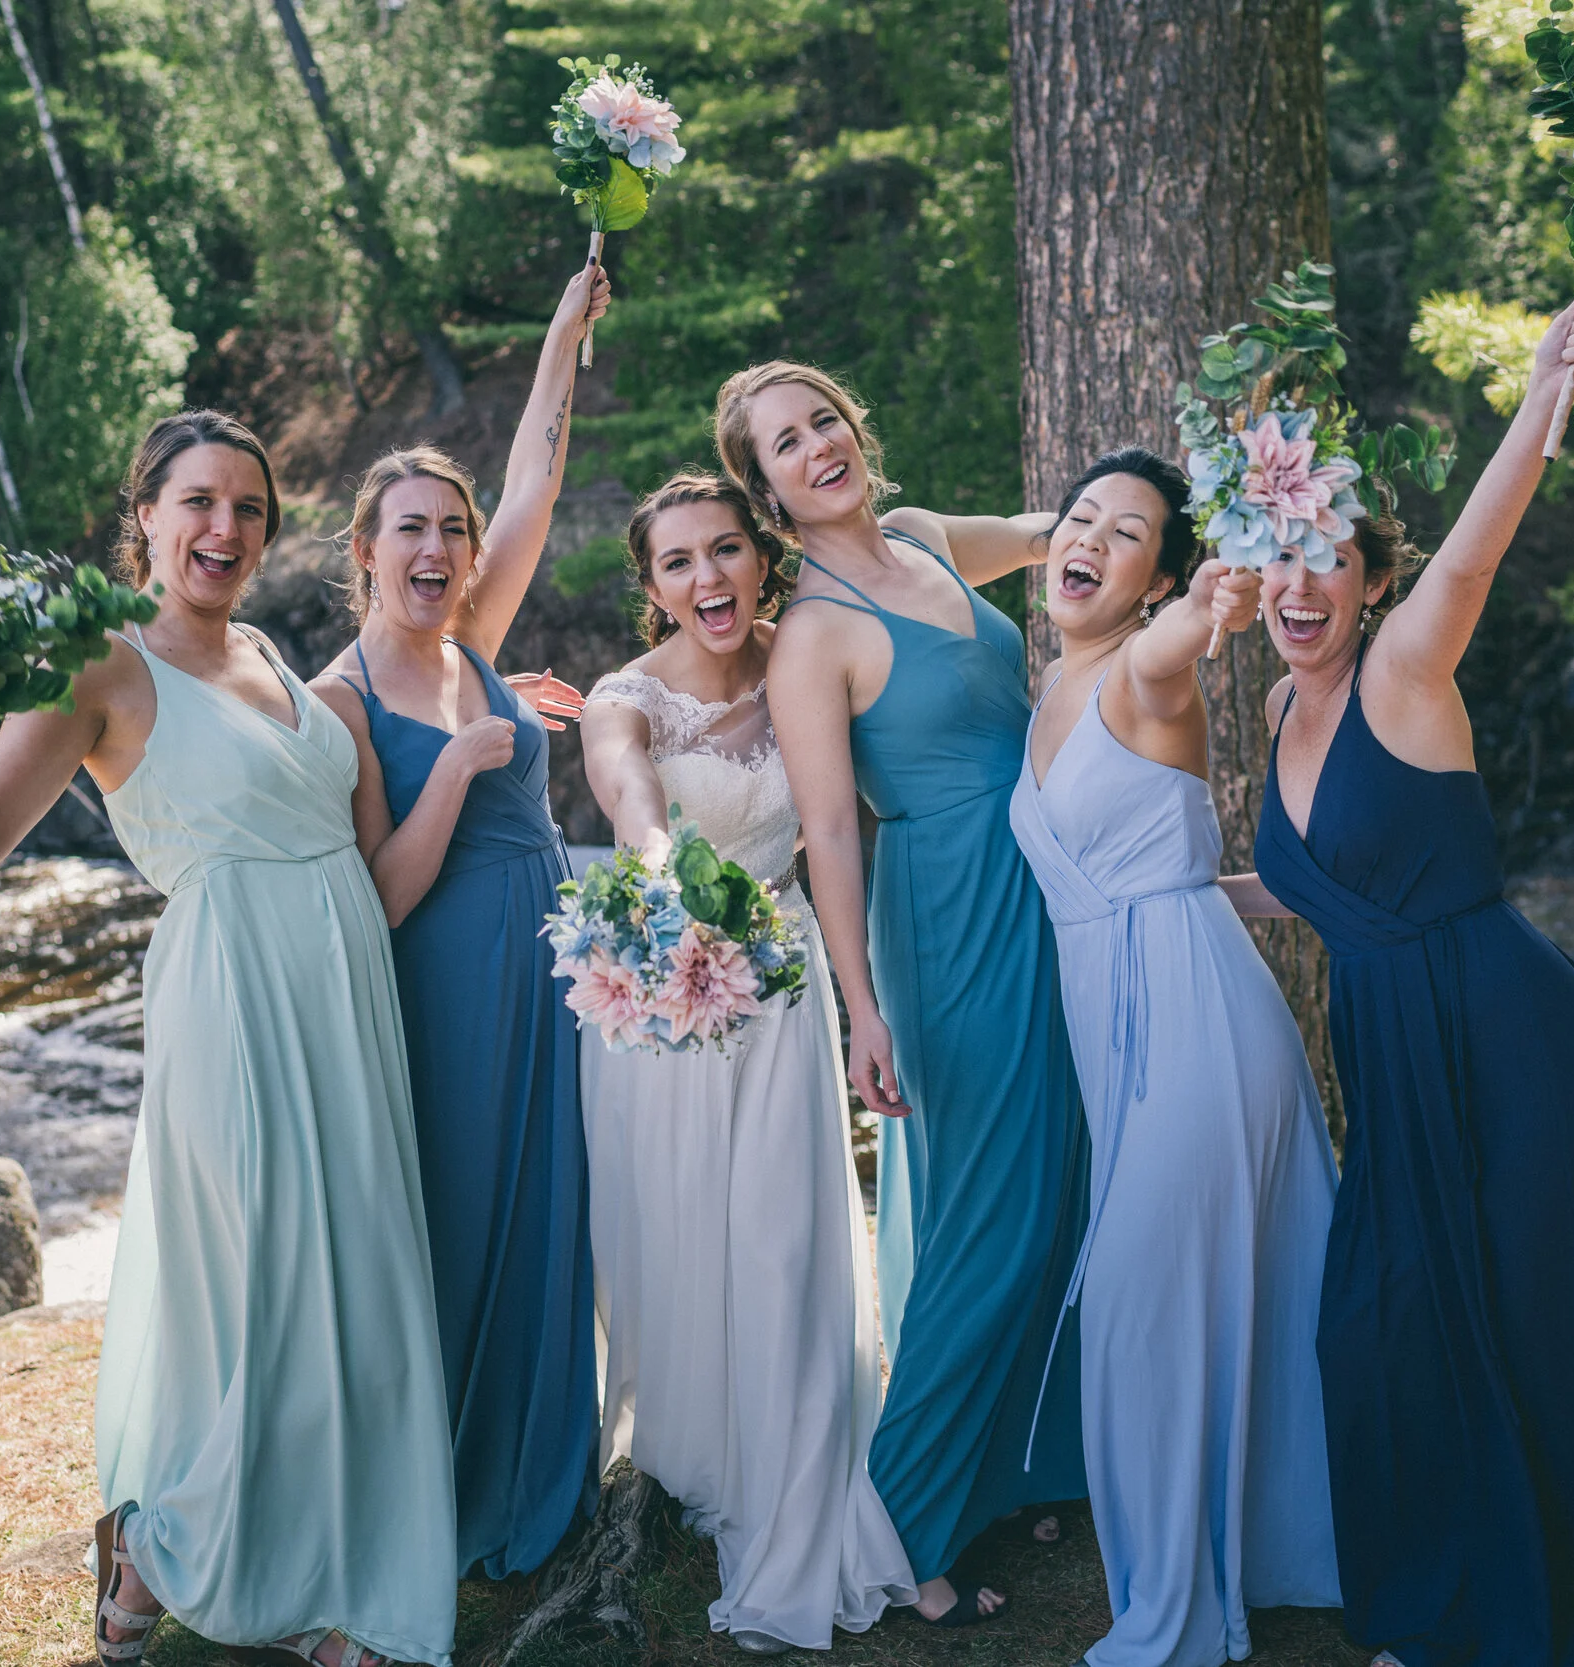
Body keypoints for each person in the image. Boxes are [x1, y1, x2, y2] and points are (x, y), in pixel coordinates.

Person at [0, 411, 455, 1667]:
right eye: (198, 501)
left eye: (248, 509)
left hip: (343, 986)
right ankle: (160, 1546)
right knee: (259, 1285)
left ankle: (325, 1572)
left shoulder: (264, 647)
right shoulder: (96, 665)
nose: (225, 529)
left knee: (347, 1275)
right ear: (141, 513)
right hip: (232, 990)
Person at [1242, 276, 1574, 1665]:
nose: (1300, 579)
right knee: (1386, 1328)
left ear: (1372, 581)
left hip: (1511, 1036)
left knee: (1552, 1325)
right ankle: (1454, 1604)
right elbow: (1312, 884)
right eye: (1283, 548)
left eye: (1332, 554)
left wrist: (1542, 394)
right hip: (1394, 1059)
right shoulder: (1283, 703)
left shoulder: (1406, 666)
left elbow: (1473, 552)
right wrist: (1141, 904)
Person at [730, 362, 1085, 1627]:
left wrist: (1187, 510)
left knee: (1064, 1180)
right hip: (947, 913)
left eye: (823, 418)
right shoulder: (811, 634)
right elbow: (830, 828)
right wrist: (859, 1010)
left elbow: (1066, 536)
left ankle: (1025, 1463)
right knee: (992, 1212)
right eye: (784, 442)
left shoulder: (930, 537)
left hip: (1053, 884)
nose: (817, 444)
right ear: (764, 489)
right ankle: (901, 1520)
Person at [1010, 447, 1343, 1666]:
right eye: (1079, 516)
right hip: (1125, 1028)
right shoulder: (1051, 675)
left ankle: (1171, 1618)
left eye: (1129, 532)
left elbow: (1186, 638)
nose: (1089, 538)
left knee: (1144, 1309)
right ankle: (1269, 1557)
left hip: (1199, 1031)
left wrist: (1214, 605)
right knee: (1211, 1298)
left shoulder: (1150, 671)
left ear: (1156, 580)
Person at [576, 473, 919, 1655]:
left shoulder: (809, 655)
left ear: (762, 556)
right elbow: (626, 784)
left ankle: (791, 1447)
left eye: (726, 550)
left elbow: (835, 828)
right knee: (674, 1225)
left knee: (779, 1229)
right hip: (666, 985)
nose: (708, 578)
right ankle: (689, 1449)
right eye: (678, 562)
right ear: (651, 585)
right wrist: (660, 860)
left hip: (781, 988)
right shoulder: (627, 697)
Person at [306, 264, 608, 1581]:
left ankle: (547, 1475)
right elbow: (376, 891)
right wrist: (462, 759)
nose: (435, 549)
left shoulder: (475, 631)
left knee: (555, 1213)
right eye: (408, 529)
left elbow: (536, 479)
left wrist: (559, 340)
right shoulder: (338, 693)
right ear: (364, 550)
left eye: (452, 530)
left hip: (551, 965)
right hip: (445, 986)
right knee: (465, 1220)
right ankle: (445, 1490)